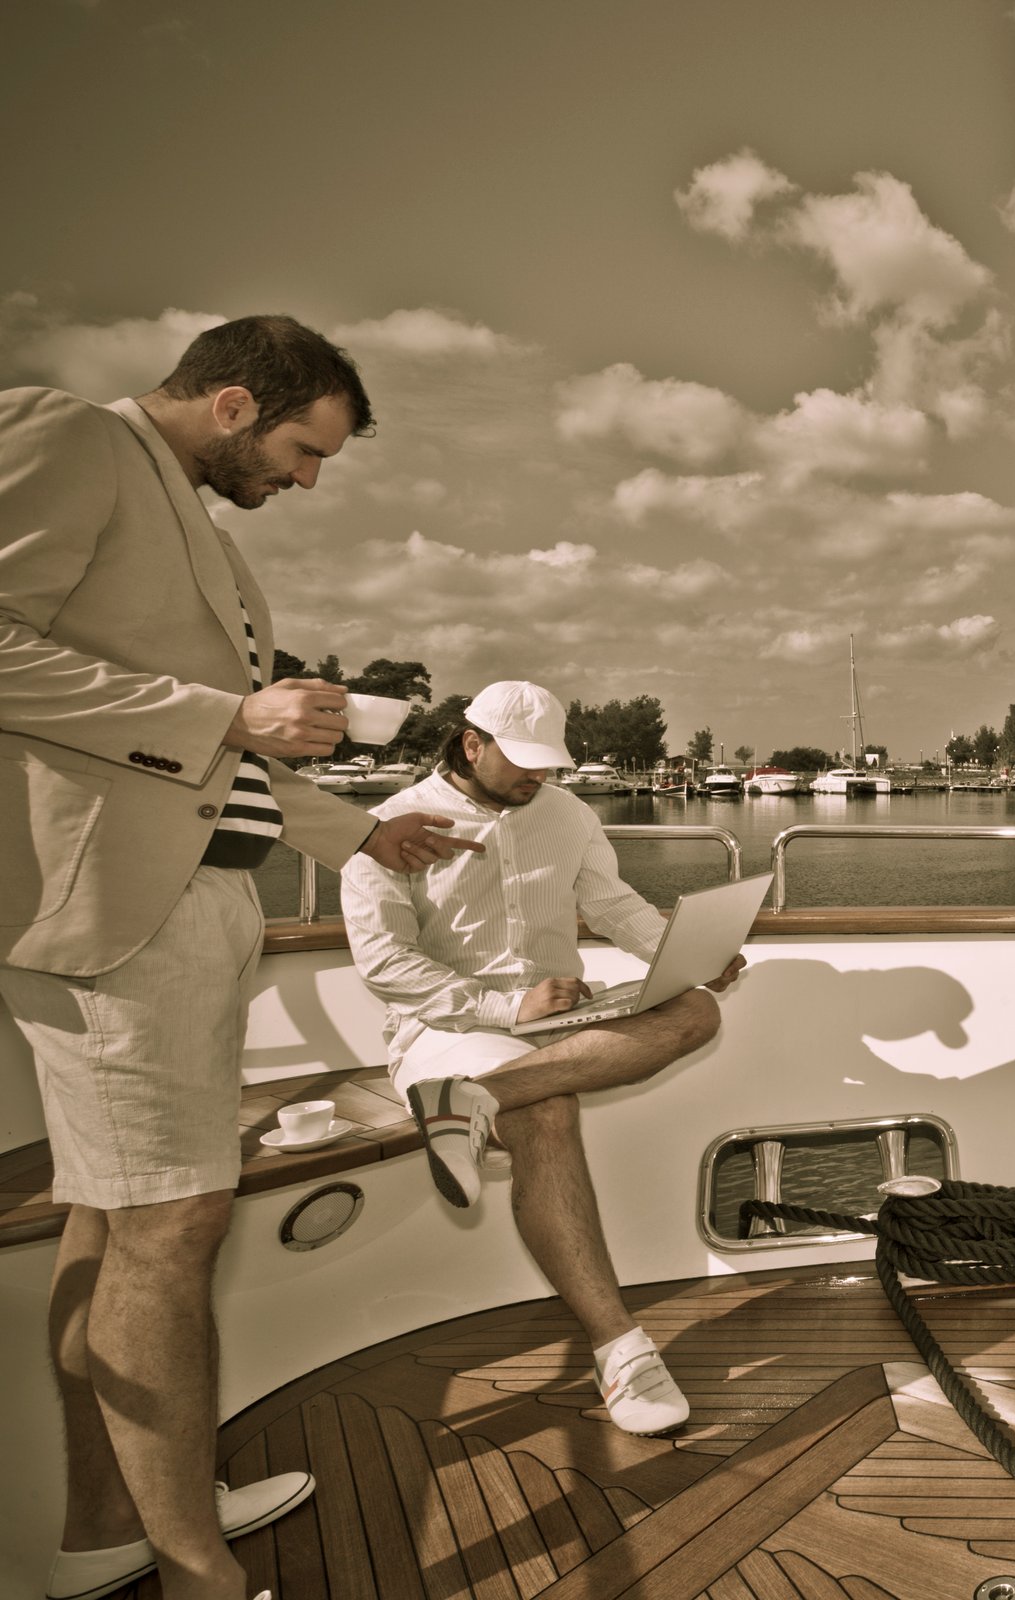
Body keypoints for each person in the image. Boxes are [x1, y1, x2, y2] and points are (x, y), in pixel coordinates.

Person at [0, 315, 484, 1600]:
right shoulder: (68, 440)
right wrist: (225, 709)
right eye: (301, 449)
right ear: (228, 405)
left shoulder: (192, 527)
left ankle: (114, 1523)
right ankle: (195, 1566)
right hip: (117, 913)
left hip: (191, 903)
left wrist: (367, 832)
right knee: (170, 1227)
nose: (307, 480)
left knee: (116, 1220)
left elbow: (231, 767)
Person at [341, 680, 742, 1437]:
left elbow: (612, 905)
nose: (538, 777)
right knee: (549, 1107)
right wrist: (505, 1008)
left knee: (696, 1009)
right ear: (471, 744)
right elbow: (387, 965)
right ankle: (620, 1348)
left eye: (547, 763)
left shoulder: (567, 812)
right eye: (523, 762)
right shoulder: (389, 827)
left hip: (559, 1016)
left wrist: (685, 955)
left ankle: (476, 1100)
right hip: (449, 1025)